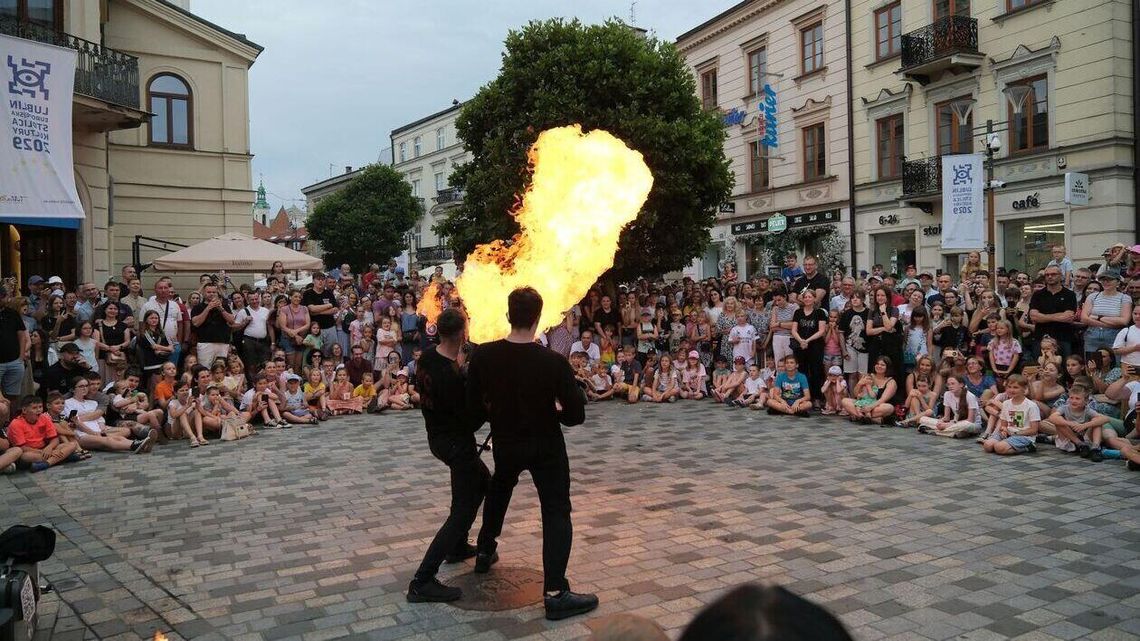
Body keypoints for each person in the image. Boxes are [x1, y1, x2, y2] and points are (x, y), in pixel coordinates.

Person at [467, 287, 596, 621]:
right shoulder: (553, 361)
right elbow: (575, 416)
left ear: (508, 316)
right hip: (546, 445)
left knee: (500, 488)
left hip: (507, 442)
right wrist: (551, 411)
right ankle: (555, 592)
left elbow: (473, 408)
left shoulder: (485, 356)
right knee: (555, 511)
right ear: (539, 319)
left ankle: (484, 548)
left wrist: (496, 410)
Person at [8, 395, 79, 472]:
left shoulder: (44, 418)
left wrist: (49, 448)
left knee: (72, 445)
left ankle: (46, 464)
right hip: (30, 451)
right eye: (34, 408)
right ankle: (63, 457)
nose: (39, 410)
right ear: (24, 410)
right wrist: (46, 452)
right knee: (25, 457)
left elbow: (54, 439)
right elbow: (22, 448)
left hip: (45, 448)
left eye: (40, 407)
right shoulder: (16, 424)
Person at [982, 374, 1039, 455]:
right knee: (987, 445)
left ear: (1024, 389)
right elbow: (1004, 424)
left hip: (1024, 436)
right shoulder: (1006, 403)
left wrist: (1015, 433)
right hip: (1009, 433)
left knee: (999, 448)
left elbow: (1034, 430)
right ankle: (1007, 444)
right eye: (1009, 387)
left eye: (1015, 387)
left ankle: (1028, 447)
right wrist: (1004, 429)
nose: (1011, 390)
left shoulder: (1031, 405)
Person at [1029, 265, 1078, 357]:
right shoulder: (1037, 295)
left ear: (1061, 276)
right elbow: (1034, 317)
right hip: (1041, 337)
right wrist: (1059, 316)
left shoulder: (1069, 295)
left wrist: (1043, 316)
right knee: (1040, 367)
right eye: (1047, 275)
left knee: (1064, 368)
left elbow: (1068, 317)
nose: (1050, 277)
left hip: (1063, 338)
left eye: (1053, 274)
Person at [191, 283, 235, 366]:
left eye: (214, 292)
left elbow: (232, 321)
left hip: (222, 342)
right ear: (204, 293)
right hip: (205, 343)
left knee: (221, 369)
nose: (212, 294)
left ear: (217, 293)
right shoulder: (198, 307)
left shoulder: (224, 306)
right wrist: (208, 308)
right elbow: (196, 323)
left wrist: (221, 309)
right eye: (209, 292)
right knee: (205, 368)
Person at [0, 286, 29, 403]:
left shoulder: (12, 313)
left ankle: (10, 421)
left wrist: (21, 357)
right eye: (6, 297)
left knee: (13, 396)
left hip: (14, 361)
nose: (8, 300)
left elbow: (21, 335)